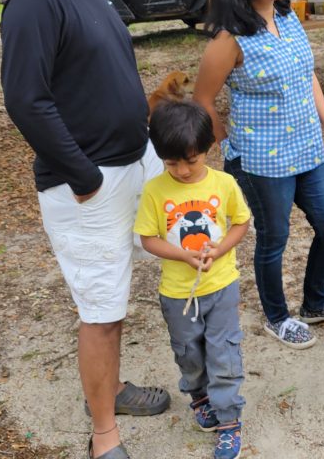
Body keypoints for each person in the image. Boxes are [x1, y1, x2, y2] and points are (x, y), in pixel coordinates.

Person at [0, 0, 170, 459]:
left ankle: (115, 389)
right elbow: (27, 100)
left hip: (131, 163)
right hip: (87, 185)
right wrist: (85, 176)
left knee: (122, 296)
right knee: (100, 309)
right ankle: (104, 439)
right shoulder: (34, 1)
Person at [193, 0, 324, 351]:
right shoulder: (229, 40)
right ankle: (277, 316)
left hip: (307, 149)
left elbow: (308, 75)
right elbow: (202, 99)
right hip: (261, 160)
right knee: (274, 238)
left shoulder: (287, 17)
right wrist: (228, 146)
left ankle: (316, 303)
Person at [135, 100, 250, 459]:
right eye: (172, 163)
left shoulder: (224, 183)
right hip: (177, 293)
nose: (182, 171)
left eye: (191, 160)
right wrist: (184, 255)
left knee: (224, 352)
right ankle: (200, 396)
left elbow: (241, 222)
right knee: (189, 353)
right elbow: (148, 238)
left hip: (221, 287)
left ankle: (229, 422)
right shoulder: (156, 191)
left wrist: (219, 249)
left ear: (207, 149)